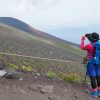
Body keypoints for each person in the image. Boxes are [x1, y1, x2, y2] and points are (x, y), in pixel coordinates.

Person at [80, 32, 100, 98]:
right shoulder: (98, 45)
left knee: (93, 77)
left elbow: (82, 47)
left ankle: (94, 92)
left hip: (91, 63)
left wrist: (83, 39)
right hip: (98, 63)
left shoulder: (89, 46)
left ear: (91, 39)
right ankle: (99, 91)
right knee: (98, 76)